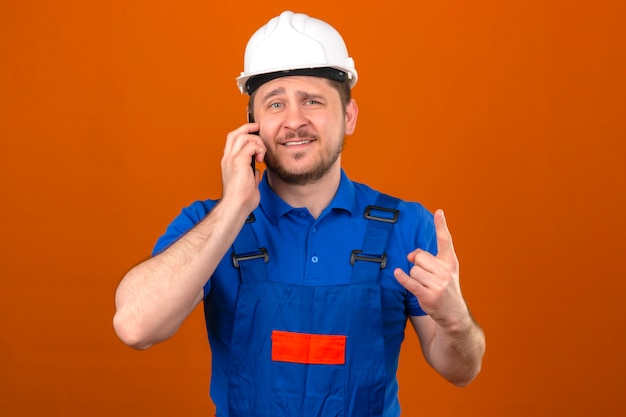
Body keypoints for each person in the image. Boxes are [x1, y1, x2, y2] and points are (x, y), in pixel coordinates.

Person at [114, 10, 485, 417]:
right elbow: (136, 326)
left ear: (348, 117)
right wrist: (234, 207)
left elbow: (461, 371)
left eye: (312, 101)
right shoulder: (208, 226)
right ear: (252, 124)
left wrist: (455, 320)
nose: (294, 121)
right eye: (275, 104)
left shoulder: (407, 228)